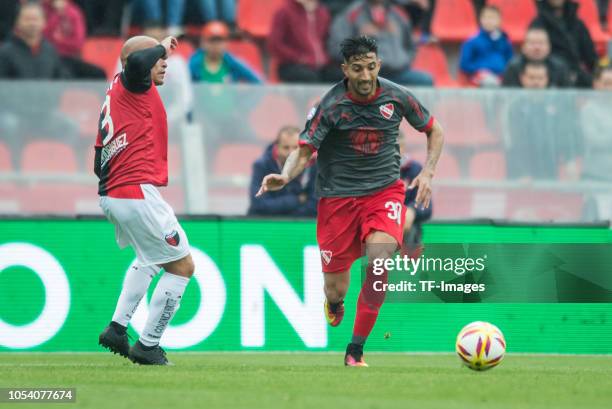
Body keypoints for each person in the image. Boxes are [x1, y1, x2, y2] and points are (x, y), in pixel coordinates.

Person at [257, 36, 444, 366]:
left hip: (384, 192)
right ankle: (334, 304)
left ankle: (355, 350)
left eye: (371, 67)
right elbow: (304, 151)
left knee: (380, 259)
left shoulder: (397, 96)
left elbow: (434, 130)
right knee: (336, 290)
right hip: (337, 201)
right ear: (346, 70)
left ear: (378, 66)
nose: (365, 75)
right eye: (358, 69)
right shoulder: (329, 106)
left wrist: (427, 172)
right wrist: (285, 176)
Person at [96, 35, 195, 366]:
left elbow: (98, 162)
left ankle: (117, 328)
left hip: (115, 193)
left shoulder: (118, 91)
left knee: (151, 258)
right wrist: (162, 46)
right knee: (182, 266)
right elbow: (137, 61)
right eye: (158, 59)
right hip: (134, 191)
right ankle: (148, 345)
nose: (164, 62)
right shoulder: (133, 81)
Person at [328, 0, 434, 86]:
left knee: (425, 80)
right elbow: (335, 49)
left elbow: (410, 45)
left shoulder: (398, 14)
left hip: (398, 73)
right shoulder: (351, 14)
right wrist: (358, 40)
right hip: (366, 76)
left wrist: (404, 60)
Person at [506, 61, 580, 180]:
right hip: (522, 174)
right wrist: (522, 172)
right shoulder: (514, 107)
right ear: (522, 78)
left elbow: (563, 135)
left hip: (549, 167)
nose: (536, 82)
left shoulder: (556, 105)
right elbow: (514, 143)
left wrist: (569, 161)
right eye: (532, 78)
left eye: (540, 78)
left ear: (547, 79)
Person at [249, 126, 318, 216]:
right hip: (264, 223)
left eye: (295, 147)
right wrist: (297, 200)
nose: (291, 152)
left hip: (298, 223)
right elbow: (259, 205)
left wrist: (288, 218)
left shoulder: (313, 166)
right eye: (286, 147)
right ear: (276, 147)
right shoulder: (261, 165)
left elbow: (314, 205)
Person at [268, 0, 342, 83]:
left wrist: (326, 58)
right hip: (292, 64)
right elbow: (275, 44)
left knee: (341, 76)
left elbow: (327, 40)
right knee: (310, 78)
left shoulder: (322, 12)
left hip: (321, 65)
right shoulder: (284, 11)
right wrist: (300, 58)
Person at [530, 0, 597, 87]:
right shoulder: (538, 24)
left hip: (576, 77)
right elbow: (533, 59)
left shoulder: (578, 25)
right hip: (548, 80)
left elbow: (591, 58)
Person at [0, 2, 67, 79]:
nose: (32, 23)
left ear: (44, 22)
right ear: (17, 22)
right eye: (27, 19)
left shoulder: (50, 51)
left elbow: (61, 81)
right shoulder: (5, 53)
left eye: (36, 19)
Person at [42, 0, 106, 79]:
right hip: (48, 57)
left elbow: (77, 43)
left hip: (70, 58)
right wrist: (57, 14)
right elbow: (43, 37)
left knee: (99, 73)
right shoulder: (42, 10)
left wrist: (57, 42)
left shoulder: (74, 12)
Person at [189, 21, 262, 83]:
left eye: (219, 41)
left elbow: (258, 82)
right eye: (212, 40)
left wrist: (243, 98)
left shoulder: (234, 63)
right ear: (203, 42)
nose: (215, 45)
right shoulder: (193, 64)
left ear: (226, 43)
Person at [459, 5, 513, 87]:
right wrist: (482, 69)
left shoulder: (505, 41)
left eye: (492, 18)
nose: (489, 21)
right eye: (486, 18)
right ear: (480, 20)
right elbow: (464, 65)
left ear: (500, 21)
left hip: (501, 76)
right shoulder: (472, 42)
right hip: (479, 77)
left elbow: (510, 61)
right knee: (490, 82)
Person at [502, 26, 572, 88]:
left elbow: (567, 95)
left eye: (541, 43)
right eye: (532, 43)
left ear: (549, 46)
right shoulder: (513, 67)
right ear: (523, 47)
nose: (537, 47)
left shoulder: (559, 67)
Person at [399, 135, 432, 252]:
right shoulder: (376, 171)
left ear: (403, 147)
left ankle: (410, 265)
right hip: (382, 222)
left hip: (409, 230)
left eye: (398, 147)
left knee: (411, 224)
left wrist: (412, 210)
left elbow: (427, 207)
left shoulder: (414, 169)